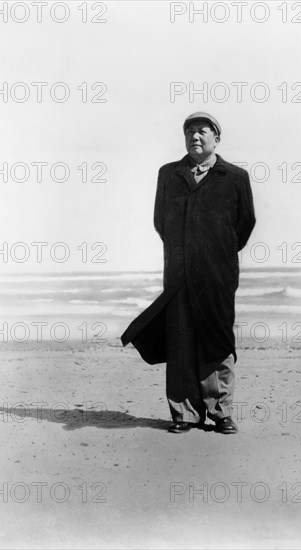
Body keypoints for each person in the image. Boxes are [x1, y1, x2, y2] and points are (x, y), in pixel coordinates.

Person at [121, 112, 256, 434]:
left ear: (216, 138)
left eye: (202, 132)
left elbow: (245, 223)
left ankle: (220, 412)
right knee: (180, 341)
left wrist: (217, 253)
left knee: (217, 339)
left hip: (218, 275)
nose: (195, 137)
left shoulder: (235, 177)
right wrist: (184, 254)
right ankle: (184, 413)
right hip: (179, 274)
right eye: (190, 132)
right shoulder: (169, 174)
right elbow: (160, 221)